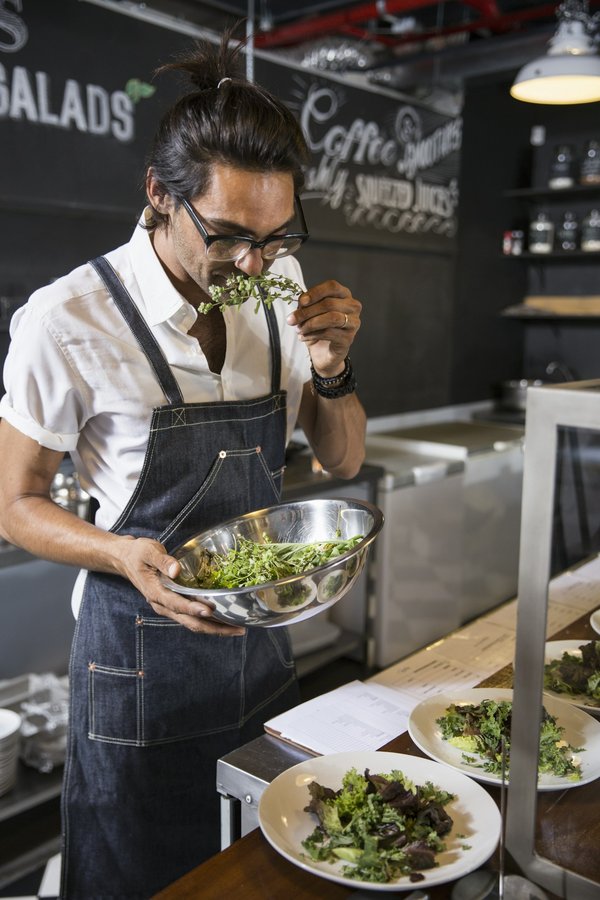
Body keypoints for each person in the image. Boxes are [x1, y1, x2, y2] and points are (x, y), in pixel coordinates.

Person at [0, 30, 366, 899]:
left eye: (277, 237)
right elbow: (13, 504)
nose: (255, 263)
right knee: (137, 878)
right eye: (232, 236)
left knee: (252, 870)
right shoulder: (68, 320)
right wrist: (121, 552)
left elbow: (343, 460)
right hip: (135, 670)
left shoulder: (277, 287)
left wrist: (334, 364)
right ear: (160, 195)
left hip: (262, 650)